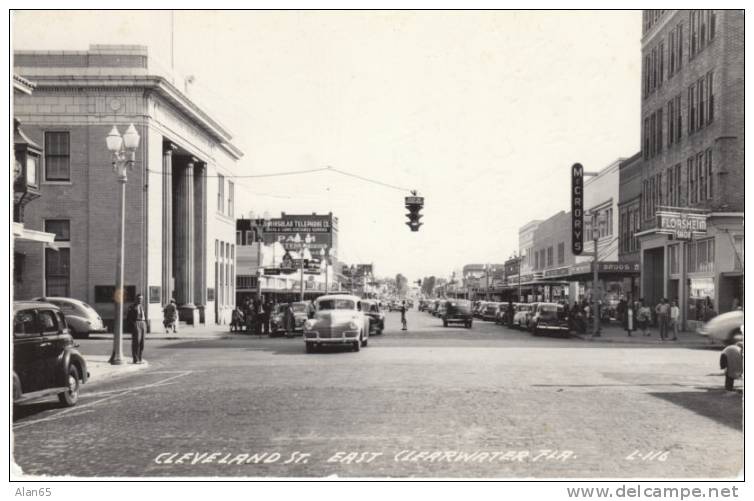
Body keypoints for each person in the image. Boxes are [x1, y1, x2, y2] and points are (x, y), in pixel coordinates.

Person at [126, 293, 147, 364]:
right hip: (136, 323)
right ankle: (135, 359)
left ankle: (140, 358)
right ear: (136, 299)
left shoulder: (142, 306)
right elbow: (128, 318)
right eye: (138, 299)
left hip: (143, 323)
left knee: (142, 343)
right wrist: (133, 325)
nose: (140, 300)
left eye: (141, 299)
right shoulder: (132, 307)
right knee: (136, 342)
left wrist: (145, 323)